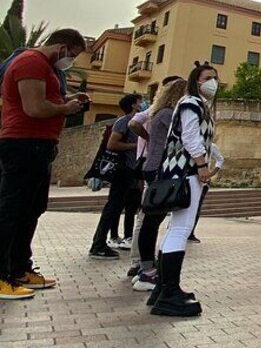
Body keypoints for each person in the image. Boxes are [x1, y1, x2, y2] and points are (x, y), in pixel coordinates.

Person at [0, 29, 88, 299]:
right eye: (71, 55)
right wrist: (66, 108)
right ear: (61, 46)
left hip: (40, 144)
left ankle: (19, 268)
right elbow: (34, 108)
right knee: (12, 210)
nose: (70, 60)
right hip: (23, 143)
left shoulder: (46, 68)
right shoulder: (31, 62)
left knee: (32, 208)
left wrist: (67, 102)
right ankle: (2, 275)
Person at [149, 63, 220, 317]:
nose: (213, 82)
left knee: (175, 229)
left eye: (215, 78)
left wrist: (215, 157)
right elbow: (190, 137)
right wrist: (201, 166)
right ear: (196, 81)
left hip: (181, 171)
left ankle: (161, 288)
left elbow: (199, 138)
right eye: (207, 78)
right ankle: (169, 292)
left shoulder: (198, 105)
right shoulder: (191, 103)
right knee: (181, 229)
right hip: (186, 173)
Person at [126, 76, 182, 277]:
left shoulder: (157, 111)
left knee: (149, 216)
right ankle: (144, 265)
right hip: (159, 167)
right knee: (149, 217)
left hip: (152, 165)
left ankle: (143, 263)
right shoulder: (167, 114)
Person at [88, 94, 142, 259]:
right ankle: (98, 244)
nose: (143, 104)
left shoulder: (136, 121)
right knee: (113, 206)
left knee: (117, 206)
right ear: (133, 105)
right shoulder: (124, 121)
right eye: (140, 101)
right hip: (122, 169)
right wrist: (137, 145)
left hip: (129, 169)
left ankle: (101, 242)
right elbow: (113, 143)